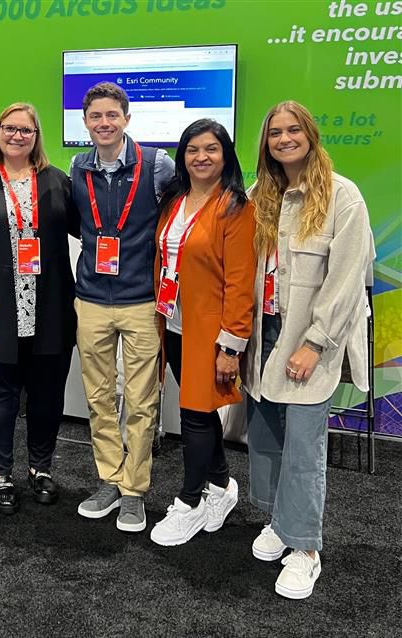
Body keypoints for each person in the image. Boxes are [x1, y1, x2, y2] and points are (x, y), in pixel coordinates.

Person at [243, 101, 372, 599]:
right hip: (264, 335)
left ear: (310, 134)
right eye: (274, 132)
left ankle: (305, 549)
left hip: (309, 340)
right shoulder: (261, 194)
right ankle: (280, 520)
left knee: (303, 447)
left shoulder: (343, 197)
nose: (283, 139)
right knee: (266, 437)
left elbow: (345, 283)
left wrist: (316, 344)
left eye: (293, 129)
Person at [0, 103, 78, 514]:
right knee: (1, 392)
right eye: (10, 128)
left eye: (26, 130)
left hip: (51, 308)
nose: (17, 136)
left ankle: (40, 468)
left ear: (36, 135)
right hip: (0, 313)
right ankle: (0, 473)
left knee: (46, 394)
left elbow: (90, 228)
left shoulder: (58, 182)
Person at [71, 82, 175, 532]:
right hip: (91, 298)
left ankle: (135, 491)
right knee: (98, 397)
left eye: (112, 115)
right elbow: (81, 225)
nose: (104, 123)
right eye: (96, 117)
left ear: (127, 119)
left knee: (140, 399)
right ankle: (109, 480)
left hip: (141, 301)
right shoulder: (77, 167)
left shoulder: (157, 165)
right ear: (86, 122)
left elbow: (179, 219)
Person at [148, 119, 256, 546]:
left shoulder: (235, 207)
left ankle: (189, 502)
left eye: (210, 148)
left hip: (209, 333)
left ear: (225, 154)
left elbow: (240, 281)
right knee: (199, 409)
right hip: (173, 322)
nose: (201, 157)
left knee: (193, 414)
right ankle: (221, 485)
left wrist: (231, 347)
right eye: (192, 149)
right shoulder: (174, 199)